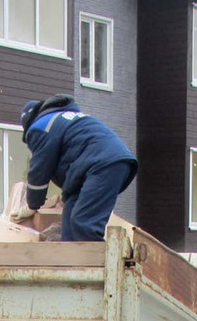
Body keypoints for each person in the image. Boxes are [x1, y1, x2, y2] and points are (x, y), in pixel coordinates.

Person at [14, 95, 138, 242]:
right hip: (102, 163)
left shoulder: (41, 127)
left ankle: (99, 263)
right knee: (70, 223)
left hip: (102, 163)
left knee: (84, 224)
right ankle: (73, 262)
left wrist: (32, 204)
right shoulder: (63, 119)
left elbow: (39, 169)